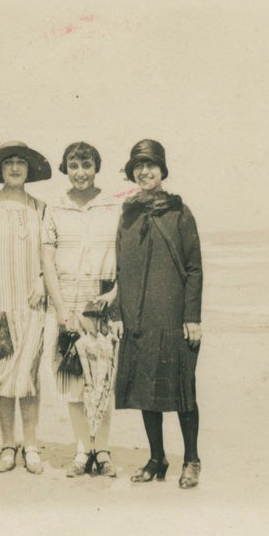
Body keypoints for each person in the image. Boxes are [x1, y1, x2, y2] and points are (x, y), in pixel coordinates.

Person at [109, 139, 204, 489]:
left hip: (174, 316)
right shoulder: (128, 214)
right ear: (132, 172)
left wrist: (192, 318)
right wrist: (119, 314)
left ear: (162, 171)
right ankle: (157, 458)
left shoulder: (180, 211)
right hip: (138, 315)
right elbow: (120, 266)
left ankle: (192, 459)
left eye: (150, 165)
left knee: (182, 391)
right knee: (145, 392)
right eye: (138, 166)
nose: (144, 171)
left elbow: (194, 268)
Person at [0, 141, 51, 475]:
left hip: (33, 304)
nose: (15, 168)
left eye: (21, 163)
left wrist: (43, 281)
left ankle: (30, 445)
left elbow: (50, 253)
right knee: (2, 375)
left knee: (29, 374)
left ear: (28, 169)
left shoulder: (41, 208)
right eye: (8, 164)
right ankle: (7, 444)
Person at [41, 141, 122, 477]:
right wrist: (61, 309)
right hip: (68, 304)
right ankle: (81, 450)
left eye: (86, 166)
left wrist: (116, 293)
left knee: (103, 380)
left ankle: (101, 451)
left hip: (104, 304)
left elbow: (128, 255)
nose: (80, 173)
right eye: (74, 166)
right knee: (74, 381)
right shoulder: (54, 209)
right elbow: (46, 260)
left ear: (96, 168)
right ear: (66, 169)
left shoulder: (115, 206)